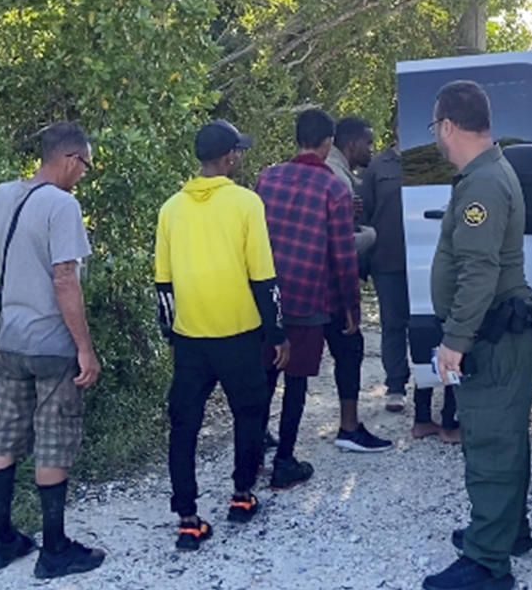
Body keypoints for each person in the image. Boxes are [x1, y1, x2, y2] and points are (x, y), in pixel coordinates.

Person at [421, 82, 532, 590]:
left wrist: (455, 339)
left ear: (448, 125)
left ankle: (488, 564)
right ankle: (507, 530)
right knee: (505, 437)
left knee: (491, 441)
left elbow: (478, 269)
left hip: (493, 335)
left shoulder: (483, 183)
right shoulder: (487, 173)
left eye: (436, 129)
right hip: (500, 332)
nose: (437, 139)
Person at [154, 120, 289, 551]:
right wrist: (278, 333)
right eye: (238, 153)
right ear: (229, 157)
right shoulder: (246, 204)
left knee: (184, 425)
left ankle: (188, 519)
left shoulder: (171, 208)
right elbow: (263, 277)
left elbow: (164, 285)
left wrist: (171, 336)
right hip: (239, 334)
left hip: (191, 337)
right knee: (250, 415)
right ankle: (242, 496)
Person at [0, 121, 105, 580]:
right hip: (51, 342)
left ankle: (2, 541)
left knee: (7, 433)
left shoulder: (3, 195)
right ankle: (54, 551)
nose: (83, 175)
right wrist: (84, 349)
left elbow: (7, 259)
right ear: (71, 158)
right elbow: (63, 278)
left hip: (9, 335)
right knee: (53, 439)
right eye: (85, 166)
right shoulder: (62, 204)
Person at [256, 108, 391, 488]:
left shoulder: (267, 178)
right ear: (329, 141)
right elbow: (343, 254)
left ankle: (251, 459)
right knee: (296, 383)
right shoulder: (332, 187)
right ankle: (284, 462)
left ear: (298, 138)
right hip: (311, 297)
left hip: (270, 297)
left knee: (265, 376)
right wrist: (351, 306)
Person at [361, 117, 458, 442]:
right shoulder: (378, 167)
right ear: (396, 129)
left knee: (431, 325)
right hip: (388, 260)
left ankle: (435, 389)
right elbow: (366, 213)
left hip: (429, 258)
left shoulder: (434, 160)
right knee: (393, 324)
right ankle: (395, 386)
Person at [326, 117, 377, 260]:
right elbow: (341, 241)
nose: (371, 150)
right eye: (368, 144)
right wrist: (369, 236)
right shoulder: (338, 178)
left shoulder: (333, 168)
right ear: (352, 144)